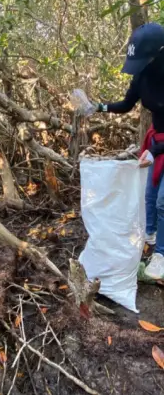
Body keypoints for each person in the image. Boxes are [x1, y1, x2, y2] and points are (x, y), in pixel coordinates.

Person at [89, 22, 164, 279]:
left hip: (160, 145)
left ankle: (161, 255)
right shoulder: (142, 75)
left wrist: (155, 150)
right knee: (149, 196)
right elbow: (126, 104)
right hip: (157, 142)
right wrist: (97, 107)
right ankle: (150, 242)